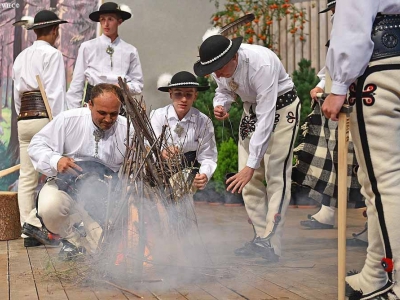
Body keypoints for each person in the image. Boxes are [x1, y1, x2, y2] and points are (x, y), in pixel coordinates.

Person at [194, 34, 301, 262]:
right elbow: (223, 90)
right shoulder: (220, 68)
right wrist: (220, 105)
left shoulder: (261, 64)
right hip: (250, 111)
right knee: (247, 182)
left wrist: (252, 164)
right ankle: (260, 237)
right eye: (212, 69)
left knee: (276, 177)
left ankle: (272, 242)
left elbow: (266, 116)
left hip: (281, 110)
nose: (217, 74)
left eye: (219, 68)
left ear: (234, 57)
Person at [321, 1, 400, 298]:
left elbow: (354, 14)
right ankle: (374, 272)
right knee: (378, 184)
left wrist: (339, 85)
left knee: (386, 183)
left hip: (383, 69)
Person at [23, 83, 131, 259]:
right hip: (67, 185)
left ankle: (88, 242)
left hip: (105, 195)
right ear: (89, 105)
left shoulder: (128, 129)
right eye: (102, 113)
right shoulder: (69, 120)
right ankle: (72, 239)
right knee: (50, 208)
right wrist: (56, 160)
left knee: (106, 251)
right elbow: (36, 145)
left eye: (114, 114)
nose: (108, 119)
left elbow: (140, 164)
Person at [12, 10, 67, 247]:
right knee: (51, 173)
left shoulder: (21, 56)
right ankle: (49, 227)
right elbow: (54, 94)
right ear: (55, 30)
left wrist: (21, 117)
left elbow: (17, 95)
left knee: (26, 176)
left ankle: (29, 228)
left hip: (24, 119)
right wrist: (60, 126)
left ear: (36, 31)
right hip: (45, 119)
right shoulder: (53, 55)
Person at [66, 2, 143, 109]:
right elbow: (77, 83)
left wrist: (124, 87)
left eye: (110, 19)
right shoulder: (87, 47)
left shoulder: (130, 50)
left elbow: (138, 84)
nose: (106, 24)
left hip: (119, 104)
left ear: (119, 22)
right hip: (92, 103)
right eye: (102, 19)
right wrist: (74, 111)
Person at [151, 71, 218, 191]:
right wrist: (161, 153)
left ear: (195, 96)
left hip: (186, 176)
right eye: (178, 94)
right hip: (157, 172)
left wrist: (204, 175)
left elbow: (208, 155)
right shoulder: (158, 116)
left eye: (188, 94)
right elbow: (148, 145)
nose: (183, 99)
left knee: (180, 204)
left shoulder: (203, 121)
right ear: (170, 94)